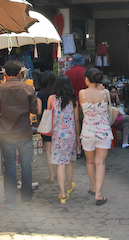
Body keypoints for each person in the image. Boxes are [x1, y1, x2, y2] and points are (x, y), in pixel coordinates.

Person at [0, 60, 38, 208]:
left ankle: (10, 202)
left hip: (7, 134)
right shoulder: (28, 89)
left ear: (5, 73)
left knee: (10, 168)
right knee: (26, 166)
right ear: (20, 73)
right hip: (24, 132)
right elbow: (34, 110)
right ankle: (27, 198)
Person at [79, 68, 112, 205]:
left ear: (87, 79)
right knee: (101, 163)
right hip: (104, 131)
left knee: (90, 162)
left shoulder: (82, 93)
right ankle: (98, 193)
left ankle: (93, 187)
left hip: (88, 131)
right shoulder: (105, 93)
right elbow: (110, 107)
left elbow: (83, 110)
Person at [48, 75, 80, 203]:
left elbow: (49, 115)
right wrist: (78, 137)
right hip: (70, 134)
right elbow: (76, 120)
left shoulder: (51, 98)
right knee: (69, 161)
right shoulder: (73, 99)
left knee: (60, 164)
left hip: (57, 134)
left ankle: (62, 194)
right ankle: (69, 185)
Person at [36, 71, 56, 182]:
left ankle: (51, 175)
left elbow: (39, 111)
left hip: (47, 124)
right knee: (57, 148)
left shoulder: (40, 94)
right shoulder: (57, 93)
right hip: (58, 123)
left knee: (48, 149)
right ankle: (59, 172)